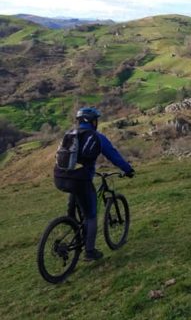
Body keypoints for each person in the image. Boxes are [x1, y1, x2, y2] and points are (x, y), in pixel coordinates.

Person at [54, 107, 135, 261]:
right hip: (80, 180)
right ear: (91, 122)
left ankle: (72, 224)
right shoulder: (97, 137)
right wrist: (128, 169)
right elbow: (114, 156)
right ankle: (89, 252)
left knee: (76, 200)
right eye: (95, 120)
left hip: (59, 177)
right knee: (91, 215)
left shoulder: (69, 134)